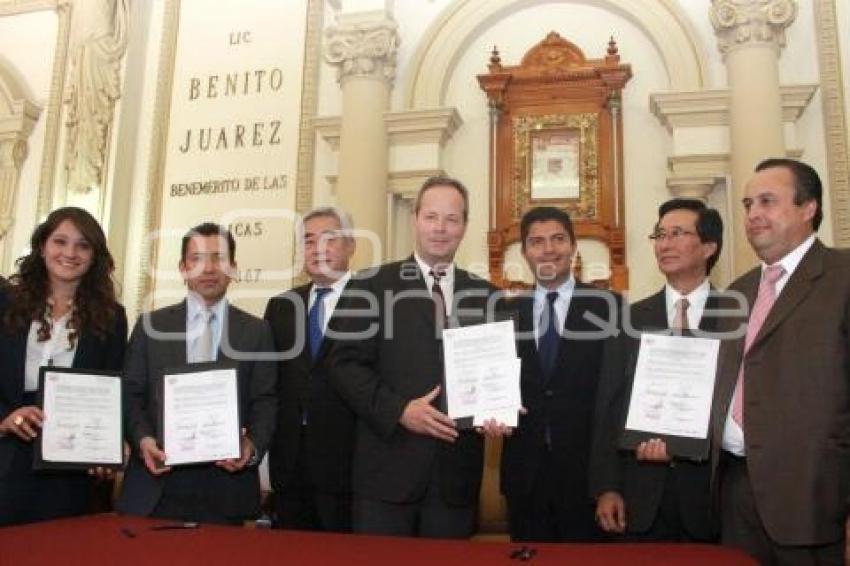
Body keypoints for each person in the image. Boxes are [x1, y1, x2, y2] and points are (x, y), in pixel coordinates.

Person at [328, 176, 497, 538]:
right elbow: (344, 364)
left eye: (452, 219)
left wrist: (497, 411)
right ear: (415, 220)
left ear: (465, 226)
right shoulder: (371, 284)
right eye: (431, 216)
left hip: (455, 479)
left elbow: (497, 375)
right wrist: (399, 410)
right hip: (386, 473)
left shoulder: (487, 295)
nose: (440, 228)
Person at [711, 158, 849, 565]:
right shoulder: (739, 292)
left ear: (809, 208)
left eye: (767, 201)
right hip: (735, 495)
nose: (753, 214)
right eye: (748, 204)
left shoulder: (842, 276)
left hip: (815, 497)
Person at [117, 222, 276, 525]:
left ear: (234, 267)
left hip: (227, 489)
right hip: (157, 484)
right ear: (182, 267)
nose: (209, 268)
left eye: (219, 258)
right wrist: (143, 440)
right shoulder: (151, 326)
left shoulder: (256, 332)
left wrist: (252, 446)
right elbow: (130, 393)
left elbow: (266, 401)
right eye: (197, 259)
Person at [590, 198, 723, 542]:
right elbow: (608, 406)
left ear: (709, 246)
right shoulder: (629, 318)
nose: (664, 244)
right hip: (641, 495)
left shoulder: (737, 316)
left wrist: (688, 443)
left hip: (713, 497)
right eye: (660, 235)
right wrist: (606, 487)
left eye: (678, 233)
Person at [497, 206, 620, 542]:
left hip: (587, 478)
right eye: (537, 241)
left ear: (573, 245)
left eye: (558, 239)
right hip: (525, 476)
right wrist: (489, 412)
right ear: (524, 252)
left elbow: (617, 397)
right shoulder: (505, 313)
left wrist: (611, 483)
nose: (548, 249)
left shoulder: (610, 307)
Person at [0, 207, 127, 526]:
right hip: (6, 455)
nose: (70, 253)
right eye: (60, 241)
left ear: (94, 256)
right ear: (42, 247)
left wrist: (105, 450)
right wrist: (4, 420)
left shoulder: (111, 317)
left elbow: (114, 387)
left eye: (83, 245)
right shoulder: (5, 303)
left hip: (69, 470)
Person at [264, 207, 357, 532]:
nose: (318, 249)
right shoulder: (281, 307)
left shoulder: (374, 302)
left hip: (349, 463)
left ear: (350, 246)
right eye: (308, 241)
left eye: (329, 239)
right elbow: (268, 382)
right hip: (289, 462)